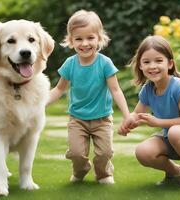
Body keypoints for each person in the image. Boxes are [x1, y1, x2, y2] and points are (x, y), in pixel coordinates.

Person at [119, 35, 180, 191]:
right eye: (146, 62)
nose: (152, 66)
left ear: (170, 64)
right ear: (140, 66)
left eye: (158, 61)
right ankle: (176, 175)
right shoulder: (148, 89)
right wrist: (128, 122)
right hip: (173, 137)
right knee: (143, 152)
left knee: (175, 132)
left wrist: (157, 122)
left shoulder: (179, 87)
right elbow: (137, 114)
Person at [47, 9, 133, 184]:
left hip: (102, 119)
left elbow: (116, 90)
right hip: (77, 119)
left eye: (90, 38)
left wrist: (127, 115)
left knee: (105, 153)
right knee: (77, 153)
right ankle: (81, 170)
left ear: (99, 38)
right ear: (71, 41)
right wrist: (40, 104)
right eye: (79, 39)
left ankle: (103, 173)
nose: (85, 43)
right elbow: (58, 89)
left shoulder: (105, 63)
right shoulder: (70, 64)